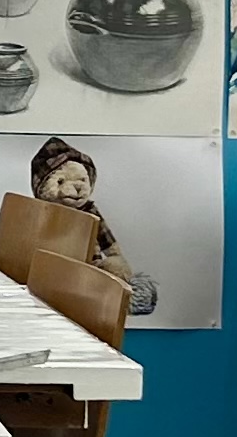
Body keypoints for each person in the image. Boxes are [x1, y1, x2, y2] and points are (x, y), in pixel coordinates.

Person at [31, 135, 155, 317]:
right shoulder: (42, 214)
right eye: (61, 181)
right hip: (58, 268)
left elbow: (106, 239)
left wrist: (115, 256)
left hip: (92, 265)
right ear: (42, 188)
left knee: (111, 271)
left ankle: (123, 298)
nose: (77, 188)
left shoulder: (90, 211)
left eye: (82, 180)